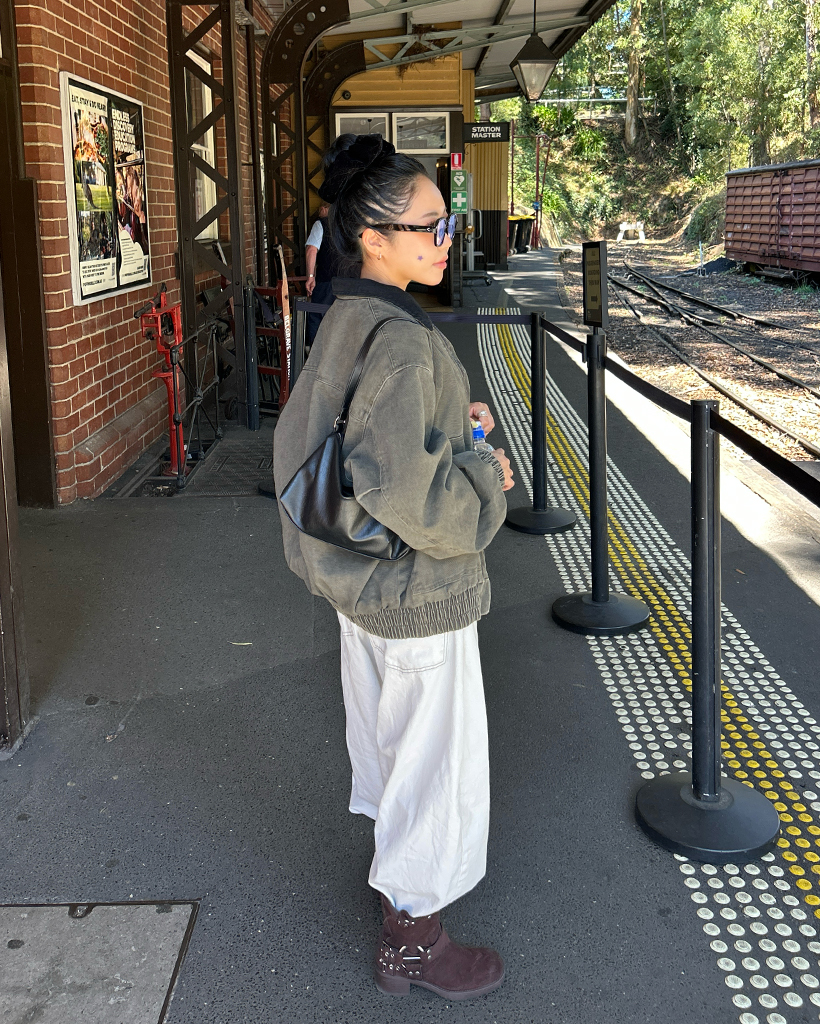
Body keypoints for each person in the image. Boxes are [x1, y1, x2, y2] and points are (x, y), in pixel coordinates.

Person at [272, 133, 514, 1002]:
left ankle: (394, 883)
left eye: (448, 223)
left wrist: (452, 423)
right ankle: (413, 940)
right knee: (433, 763)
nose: (448, 238)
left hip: (362, 585)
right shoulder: (404, 340)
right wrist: (482, 477)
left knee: (389, 744)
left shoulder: (347, 316)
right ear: (373, 237)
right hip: (417, 594)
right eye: (430, 226)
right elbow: (408, 490)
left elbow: (343, 439)